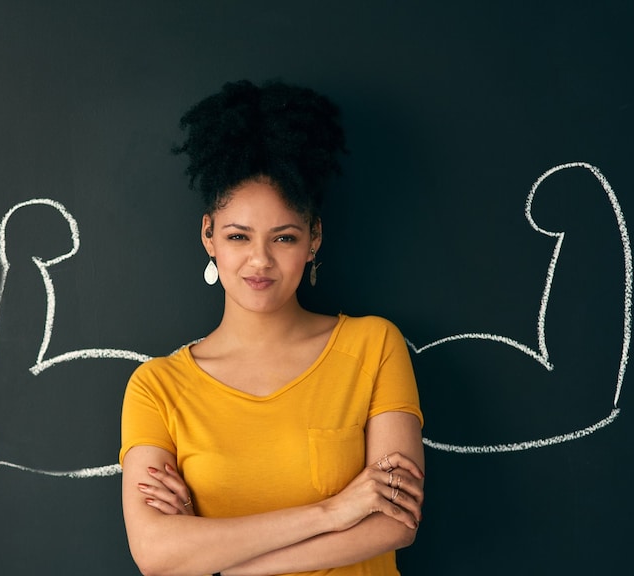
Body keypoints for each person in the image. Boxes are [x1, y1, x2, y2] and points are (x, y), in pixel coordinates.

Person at [119, 79, 425, 576]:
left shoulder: (373, 345)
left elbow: (395, 522)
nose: (259, 260)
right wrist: (333, 511)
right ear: (209, 236)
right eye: (238, 236)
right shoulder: (157, 388)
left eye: (283, 237)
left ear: (314, 237)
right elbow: (155, 553)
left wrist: (222, 562)